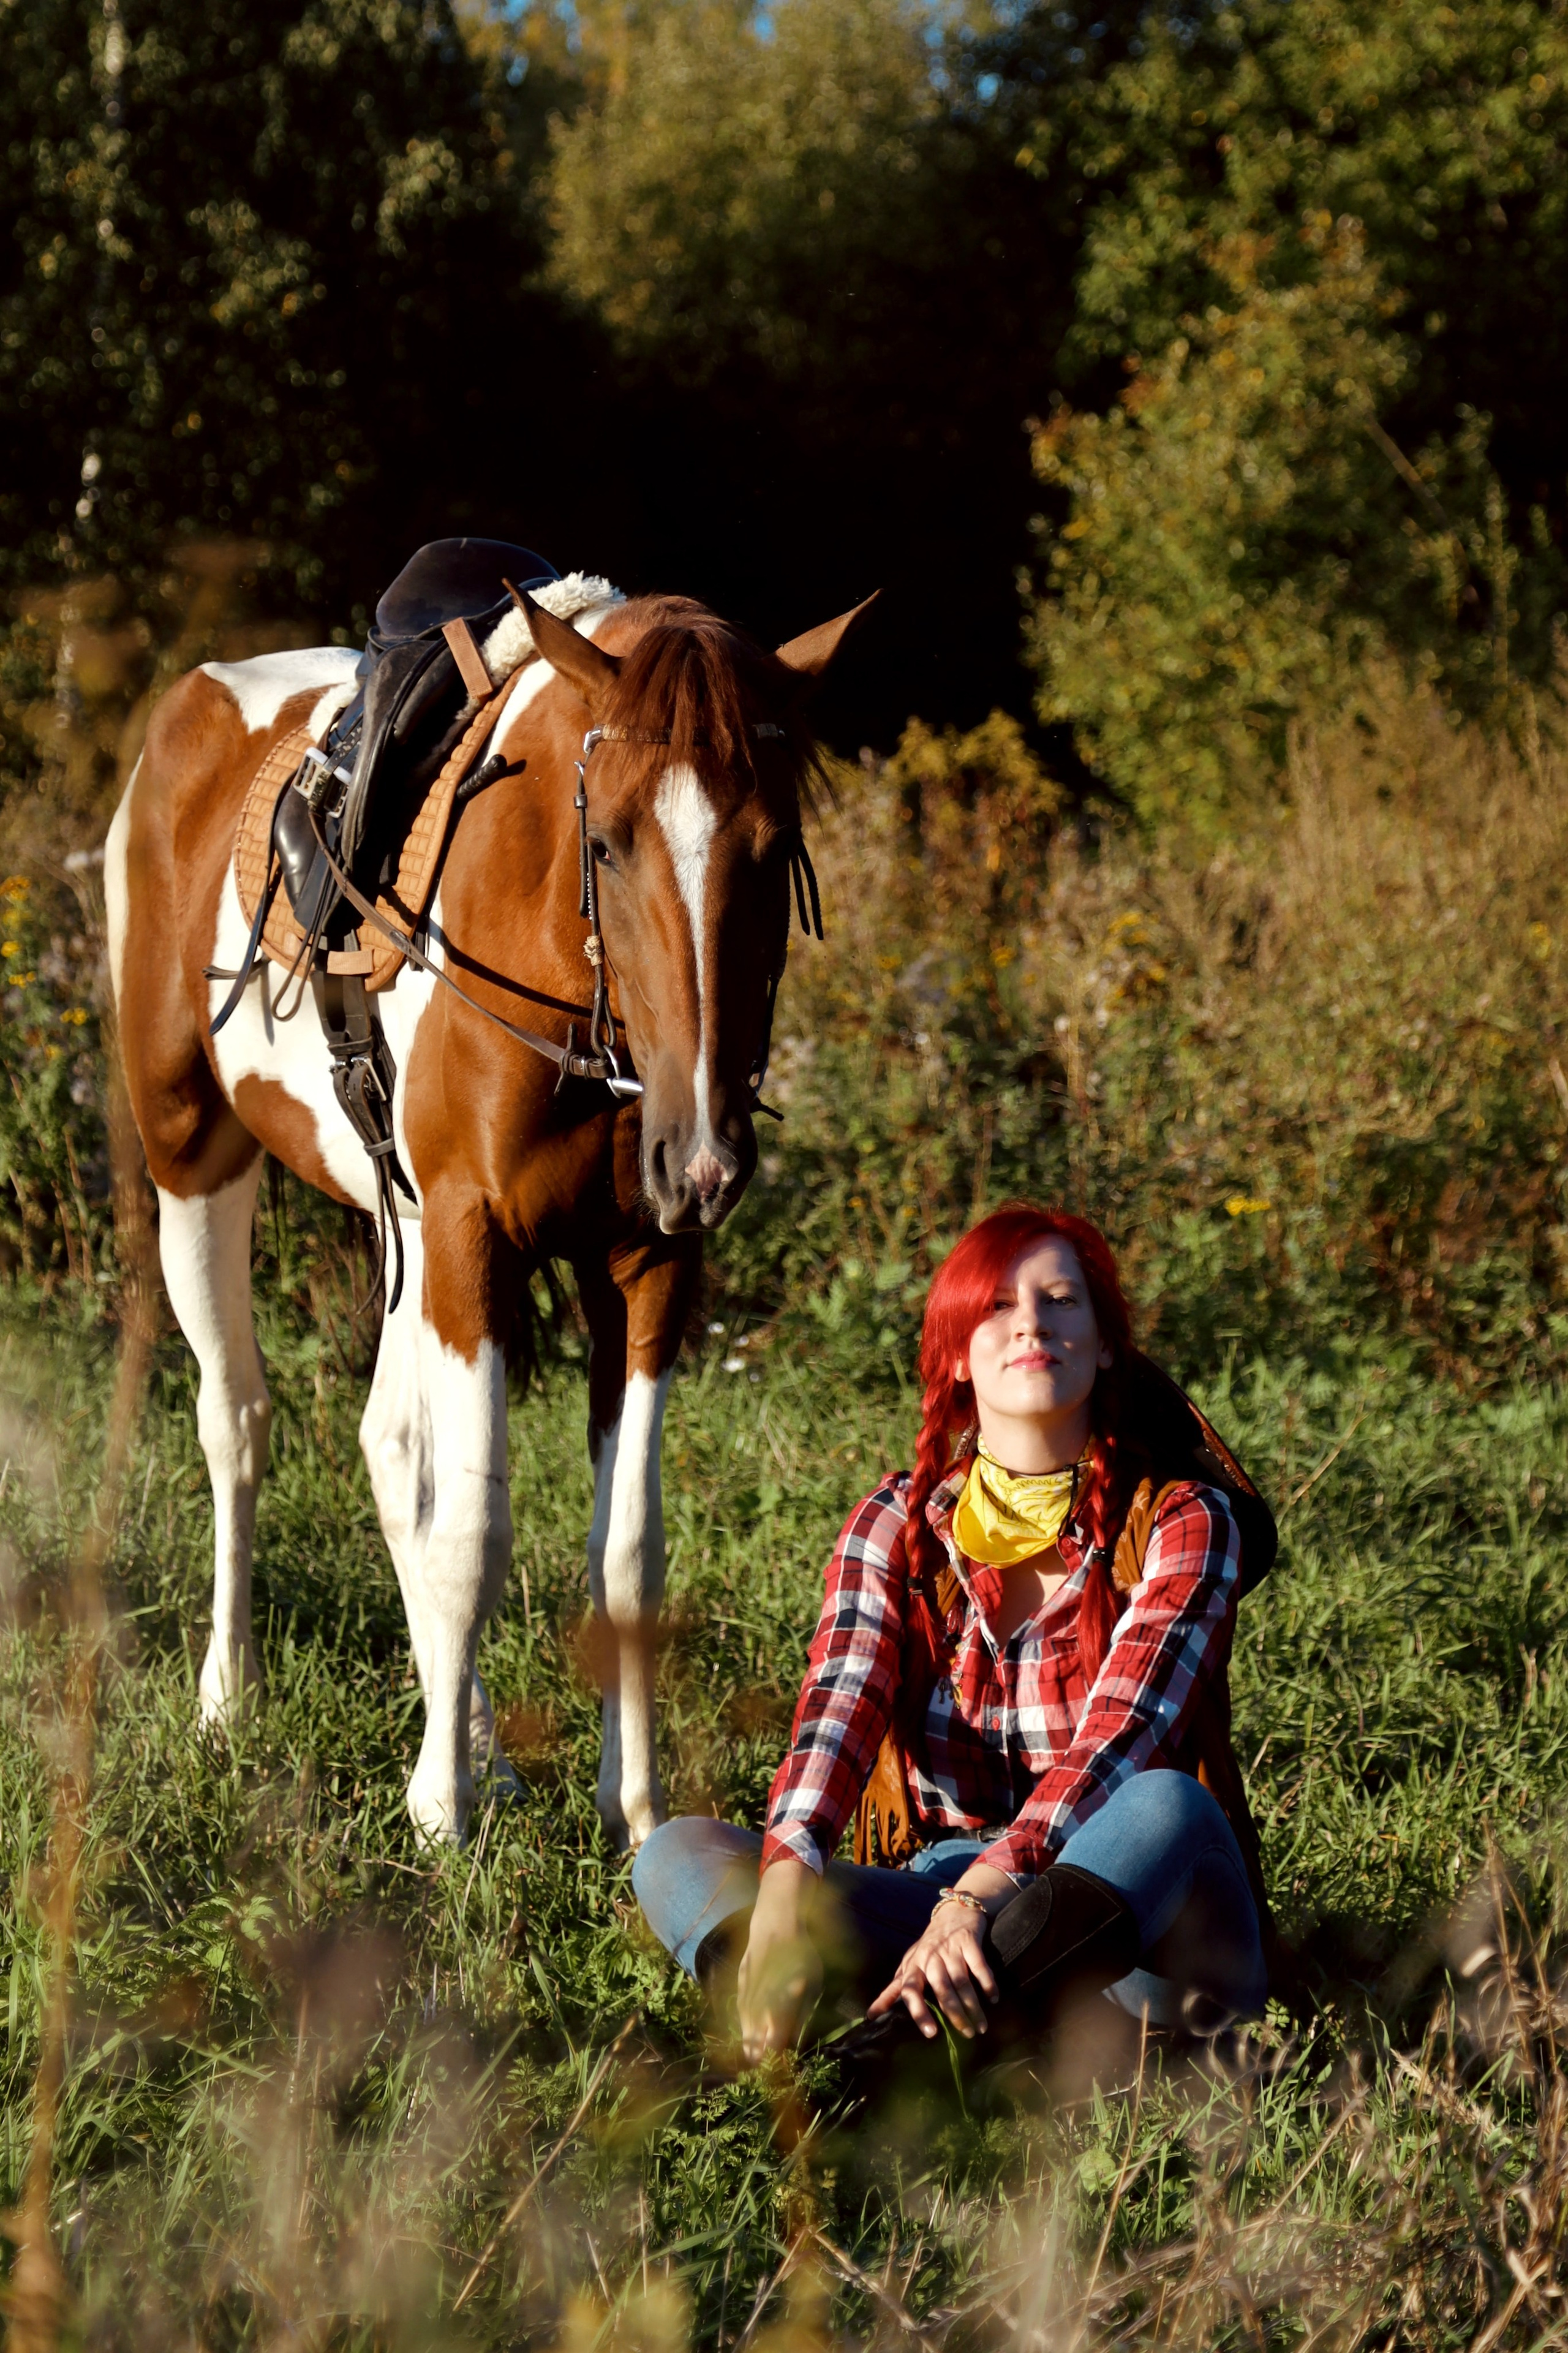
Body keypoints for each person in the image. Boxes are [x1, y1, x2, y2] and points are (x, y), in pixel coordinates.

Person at [633, 1203, 1273, 2071]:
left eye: (1061, 1300)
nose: (1032, 1322)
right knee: (678, 1853)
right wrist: (788, 1887)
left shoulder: (1182, 1519)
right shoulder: (897, 1523)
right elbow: (839, 1710)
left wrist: (976, 1901)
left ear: (1108, 1343)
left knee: (1165, 1804)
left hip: (1139, 1936)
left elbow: (1121, 1740)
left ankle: (889, 2059)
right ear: (957, 1356)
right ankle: (920, 2031)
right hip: (934, 1902)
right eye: (997, 1307)